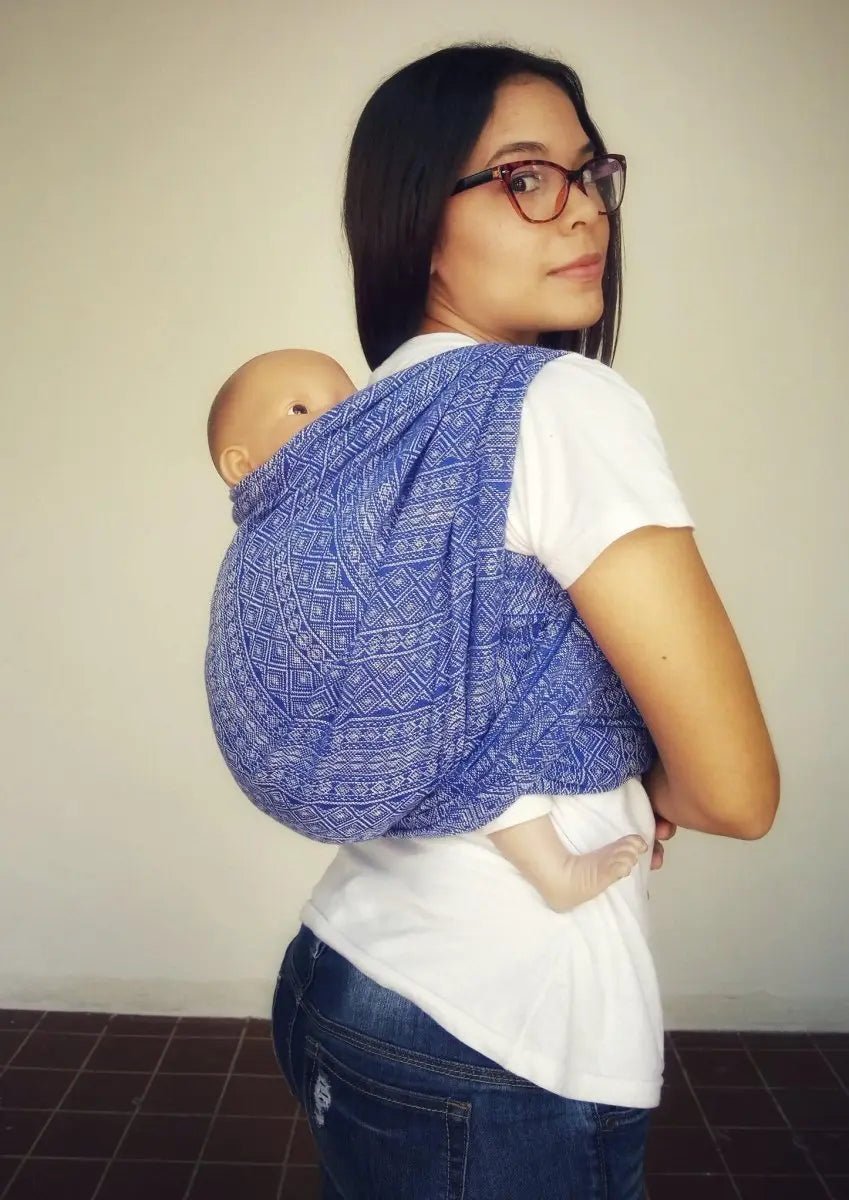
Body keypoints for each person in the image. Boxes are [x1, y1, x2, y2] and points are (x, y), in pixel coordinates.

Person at [260, 42, 779, 1199]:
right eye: (525, 177)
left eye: (590, 173)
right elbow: (739, 790)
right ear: (417, 219)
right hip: (503, 1026)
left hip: (343, 966)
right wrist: (648, 785)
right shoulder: (560, 403)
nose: (583, 209)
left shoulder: (367, 419)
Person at [207, 347, 652, 913]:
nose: (337, 416)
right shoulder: (264, 547)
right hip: (308, 748)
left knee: (476, 740)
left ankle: (553, 869)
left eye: (349, 400)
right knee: (476, 729)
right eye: (300, 408)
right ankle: (553, 867)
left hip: (369, 871)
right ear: (241, 466)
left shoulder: (390, 486)